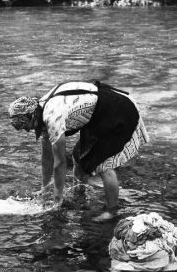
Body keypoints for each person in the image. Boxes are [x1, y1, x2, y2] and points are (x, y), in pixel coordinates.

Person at [8, 80, 149, 222]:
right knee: (79, 157)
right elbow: (47, 158)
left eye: (26, 126)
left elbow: (60, 162)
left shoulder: (51, 117)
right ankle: (80, 197)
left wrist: (57, 200)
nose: (27, 130)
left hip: (118, 110)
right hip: (99, 114)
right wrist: (44, 190)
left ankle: (112, 212)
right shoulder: (40, 109)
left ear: (31, 116)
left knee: (103, 165)